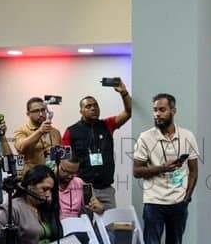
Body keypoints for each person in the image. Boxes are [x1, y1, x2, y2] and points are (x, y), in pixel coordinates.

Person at [132, 93, 201, 244]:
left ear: (173, 111)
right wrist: (163, 168)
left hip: (178, 203)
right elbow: (137, 171)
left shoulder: (187, 136)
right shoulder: (146, 138)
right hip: (154, 203)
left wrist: (187, 197)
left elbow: (193, 171)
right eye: (155, 110)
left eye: (162, 110)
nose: (157, 114)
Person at [61, 78, 132, 211]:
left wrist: (124, 93)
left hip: (106, 189)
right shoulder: (71, 131)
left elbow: (128, 112)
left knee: (110, 227)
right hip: (83, 188)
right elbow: (63, 161)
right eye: (88, 106)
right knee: (85, 228)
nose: (93, 108)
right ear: (81, 110)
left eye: (95, 105)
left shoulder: (107, 125)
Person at [12, 96, 62, 175]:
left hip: (52, 177)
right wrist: (40, 131)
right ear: (28, 114)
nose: (41, 114)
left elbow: (60, 156)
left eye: (43, 110)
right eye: (36, 111)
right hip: (31, 178)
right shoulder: (21, 131)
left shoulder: (55, 132)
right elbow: (20, 147)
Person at [57, 154, 104, 220]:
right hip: (55, 226)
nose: (70, 176)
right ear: (57, 165)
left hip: (76, 226)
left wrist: (99, 207)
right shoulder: (49, 183)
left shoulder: (79, 183)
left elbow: (95, 205)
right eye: (66, 172)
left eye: (74, 173)